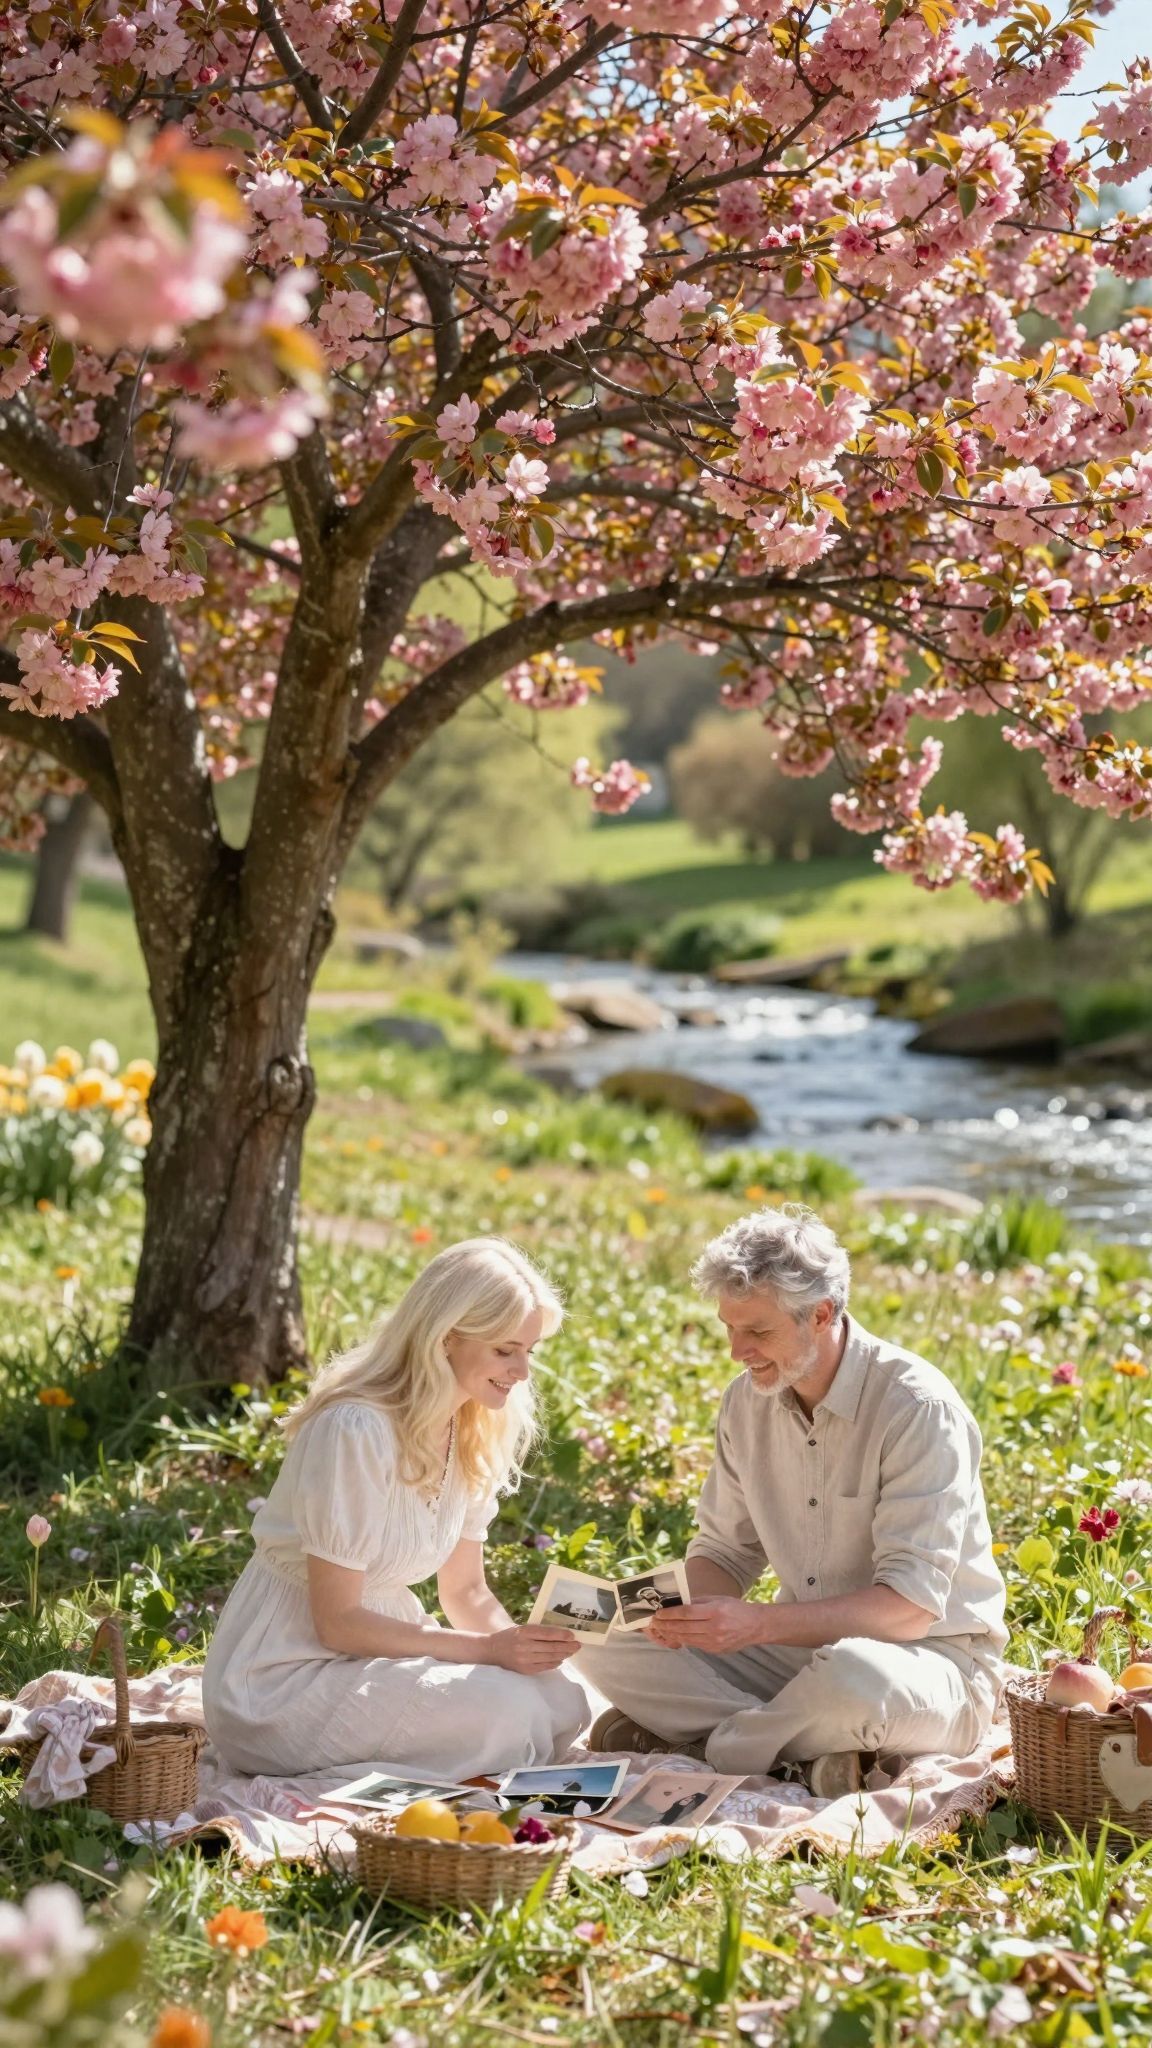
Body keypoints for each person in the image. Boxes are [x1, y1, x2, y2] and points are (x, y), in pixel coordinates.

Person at [578, 1206, 1007, 1799]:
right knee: (597, 1627)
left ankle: (707, 1749)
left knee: (855, 1677)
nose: (737, 1351)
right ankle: (798, 1756)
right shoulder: (745, 1403)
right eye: (729, 1328)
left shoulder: (918, 1410)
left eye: (757, 1332)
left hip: (926, 1664)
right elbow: (724, 1557)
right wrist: (656, 1611)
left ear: (822, 1314)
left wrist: (757, 1624)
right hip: (798, 1659)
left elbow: (909, 1610)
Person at [203, 1238, 588, 1778]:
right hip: (282, 1677)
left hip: (379, 1649)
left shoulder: (474, 1427)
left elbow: (466, 1591)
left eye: (529, 1350)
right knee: (509, 1713)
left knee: (562, 1701)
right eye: (505, 1350)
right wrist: (489, 1653)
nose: (522, 1371)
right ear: (446, 1337)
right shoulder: (356, 1429)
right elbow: (336, 1623)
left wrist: (522, 1652)